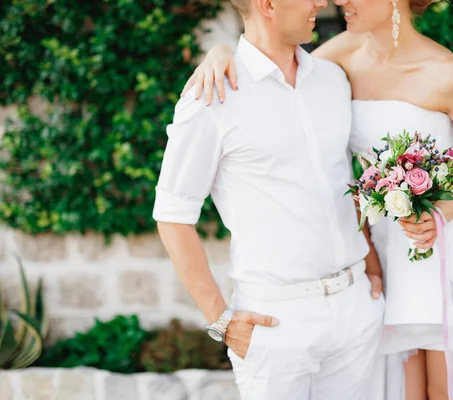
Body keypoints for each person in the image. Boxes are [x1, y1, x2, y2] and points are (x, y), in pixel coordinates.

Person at [182, 0, 453, 399]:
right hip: (383, 256)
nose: (338, 0)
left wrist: (441, 214)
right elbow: (271, 62)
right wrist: (220, 53)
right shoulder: (337, 57)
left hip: (446, 247)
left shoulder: (447, 74)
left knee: (449, 393)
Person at [152, 0, 386, 399]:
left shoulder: (333, 80)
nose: (321, 3)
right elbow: (173, 215)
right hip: (275, 322)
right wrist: (220, 320)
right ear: (267, 4)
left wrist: (371, 268)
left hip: (355, 309)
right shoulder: (212, 94)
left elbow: (342, 183)